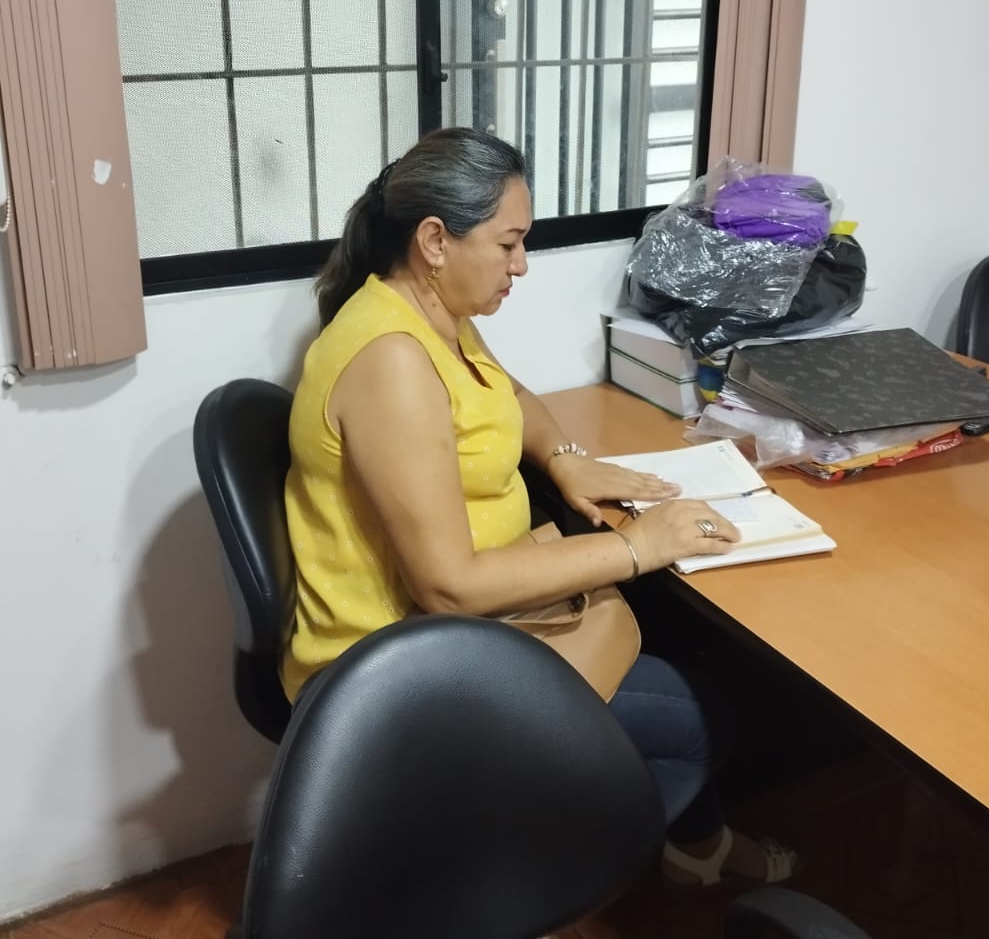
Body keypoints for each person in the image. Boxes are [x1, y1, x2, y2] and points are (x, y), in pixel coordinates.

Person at [281, 127, 799, 889]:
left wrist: (565, 459)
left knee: (666, 645)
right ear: (435, 241)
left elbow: (508, 394)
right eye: (509, 244)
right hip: (397, 674)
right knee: (698, 718)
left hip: (460, 632)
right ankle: (525, 878)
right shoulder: (391, 360)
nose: (521, 265)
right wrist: (639, 545)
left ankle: (682, 847)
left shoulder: (427, 317)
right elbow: (449, 586)